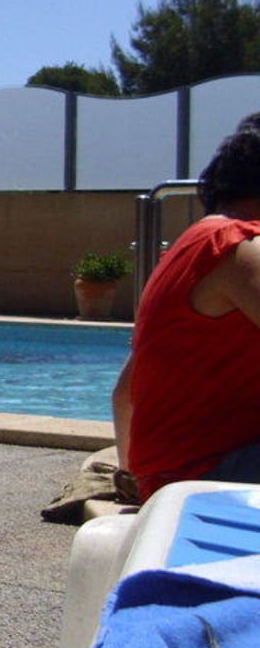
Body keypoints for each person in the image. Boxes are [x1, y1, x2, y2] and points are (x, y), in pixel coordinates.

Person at [114, 123, 260, 501]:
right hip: (207, 475)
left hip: (168, 477)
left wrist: (134, 480)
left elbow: (125, 392)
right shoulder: (238, 246)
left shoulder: (191, 247)